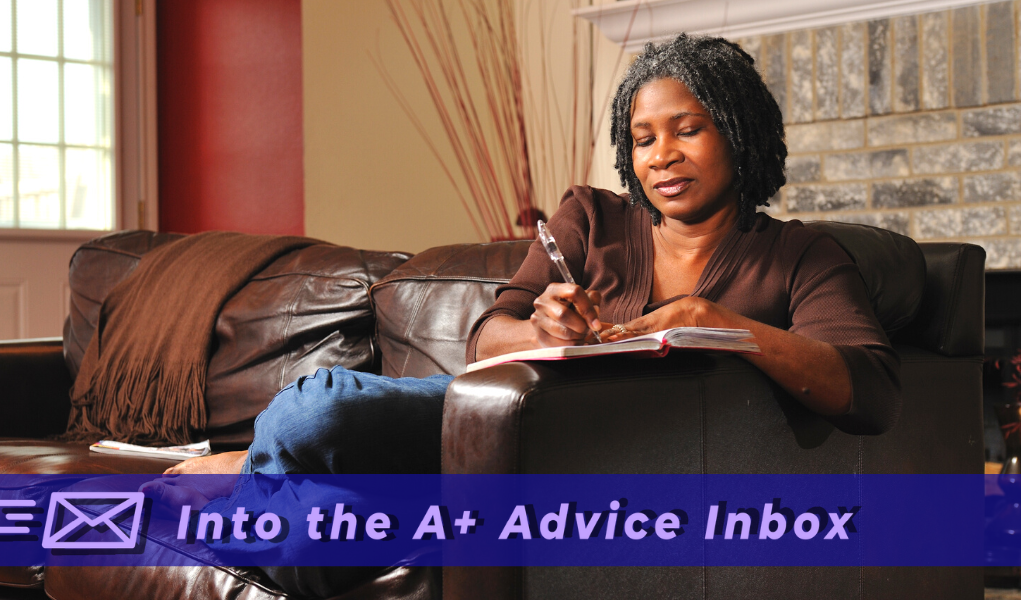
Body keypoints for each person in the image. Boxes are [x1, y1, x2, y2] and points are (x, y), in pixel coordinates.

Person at [142, 33, 899, 594]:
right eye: (642, 138)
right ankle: (256, 471)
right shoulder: (590, 219)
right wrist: (544, 329)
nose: (660, 155)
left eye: (688, 129)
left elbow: (863, 389)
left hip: (596, 470)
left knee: (314, 534)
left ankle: (240, 484)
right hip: (497, 422)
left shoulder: (802, 255)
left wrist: (725, 324)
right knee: (315, 417)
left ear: (740, 133)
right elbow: (485, 340)